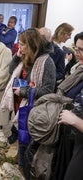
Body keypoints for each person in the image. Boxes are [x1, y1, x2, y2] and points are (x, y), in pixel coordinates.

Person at [0, 28, 56, 175]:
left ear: (32, 45)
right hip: (20, 106)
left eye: (23, 44)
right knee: (21, 137)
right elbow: (11, 71)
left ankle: (25, 172)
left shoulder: (46, 62)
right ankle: (21, 166)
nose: (20, 46)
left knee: (28, 144)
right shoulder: (26, 57)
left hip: (33, 110)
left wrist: (24, 92)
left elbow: (48, 91)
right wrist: (17, 57)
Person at [50, 32, 83, 180]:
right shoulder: (79, 71)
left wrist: (74, 120)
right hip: (70, 139)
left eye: (81, 50)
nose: (77, 54)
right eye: (76, 49)